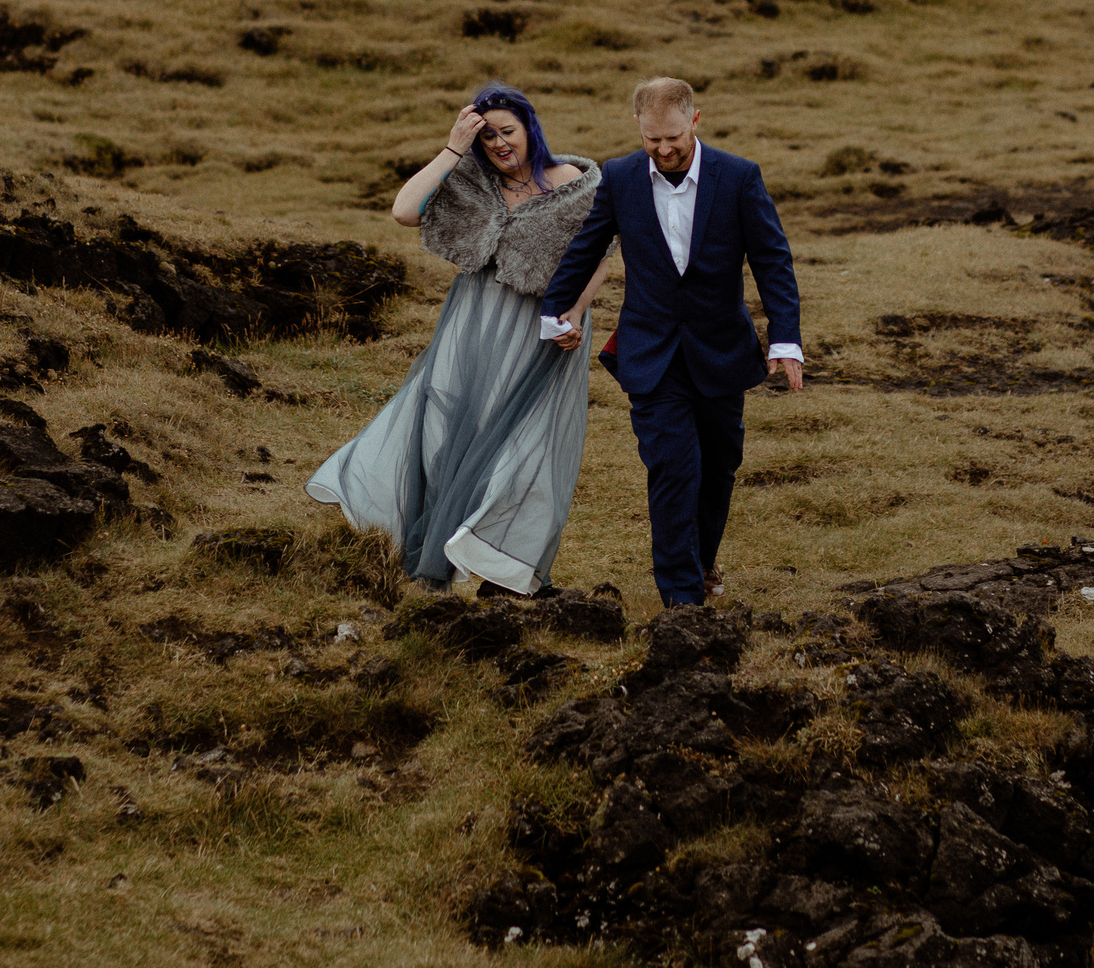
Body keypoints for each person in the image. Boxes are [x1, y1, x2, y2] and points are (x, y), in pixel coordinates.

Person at [306, 84, 610, 595]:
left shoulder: (575, 182)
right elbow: (405, 211)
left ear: (530, 128)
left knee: (522, 439)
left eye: (507, 131)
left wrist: (575, 314)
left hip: (542, 328)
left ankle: (503, 562)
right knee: (444, 428)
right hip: (471, 318)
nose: (498, 143)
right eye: (486, 135)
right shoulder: (472, 179)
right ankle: (433, 558)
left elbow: (601, 252)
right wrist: (453, 148)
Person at [536, 77, 802, 609]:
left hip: (721, 351)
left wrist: (786, 339)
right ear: (639, 128)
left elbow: (772, 260)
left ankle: (701, 562)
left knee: (719, 465)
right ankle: (682, 599)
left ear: (695, 121)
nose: (663, 150)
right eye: (652, 139)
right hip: (650, 352)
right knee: (673, 466)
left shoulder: (738, 176)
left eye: (674, 138)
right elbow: (588, 246)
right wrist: (553, 309)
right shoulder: (620, 177)